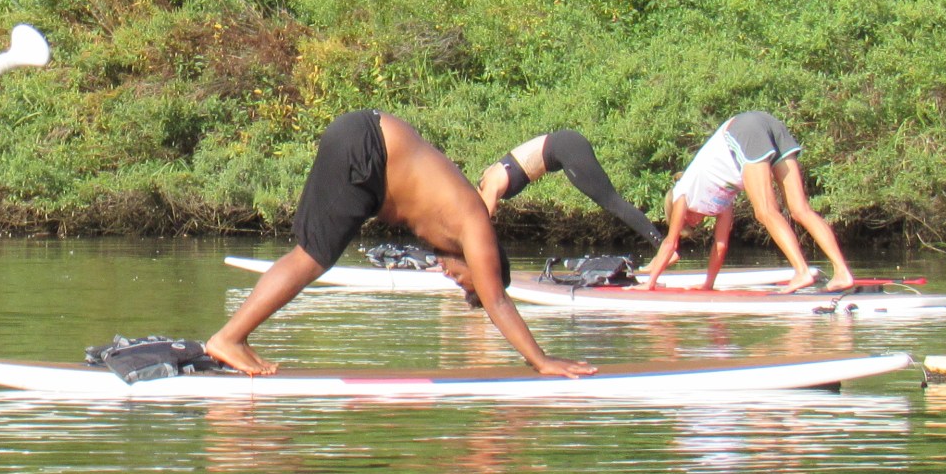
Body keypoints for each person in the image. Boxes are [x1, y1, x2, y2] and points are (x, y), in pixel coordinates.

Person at [206, 110, 592, 378]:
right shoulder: (477, 229)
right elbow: (498, 301)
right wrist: (541, 360)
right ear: (483, 264)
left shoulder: (456, 228)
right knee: (312, 257)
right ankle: (229, 338)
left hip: (365, 142)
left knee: (311, 253)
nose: (454, 280)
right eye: (465, 282)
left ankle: (236, 338)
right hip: (367, 144)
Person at [637, 110, 856, 293]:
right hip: (767, 122)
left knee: (765, 212)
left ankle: (802, 272)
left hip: (742, 130)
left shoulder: (681, 195)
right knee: (800, 210)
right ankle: (842, 273)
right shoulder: (721, 202)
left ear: (682, 215)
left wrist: (650, 283)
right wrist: (708, 284)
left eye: (690, 223)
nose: (695, 224)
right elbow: (720, 246)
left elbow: (669, 243)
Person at [476, 130, 663, 251]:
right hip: (565, 145)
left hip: (565, 148)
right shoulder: (489, 178)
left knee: (611, 201)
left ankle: (663, 247)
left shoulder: (489, 183)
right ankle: (663, 247)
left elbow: (479, 225)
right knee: (611, 201)